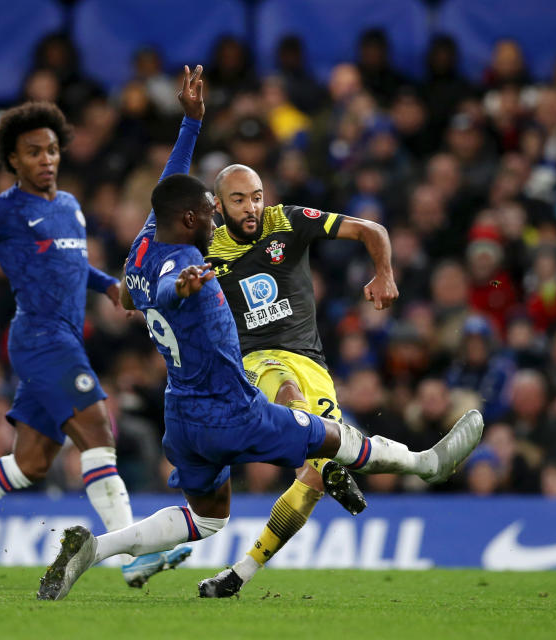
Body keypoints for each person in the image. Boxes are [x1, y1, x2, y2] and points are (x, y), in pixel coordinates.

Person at [35, 172, 484, 601]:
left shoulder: (161, 253)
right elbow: (172, 285)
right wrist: (182, 285)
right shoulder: (196, 259)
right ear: (202, 212)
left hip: (184, 413)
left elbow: (134, 293)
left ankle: (95, 549)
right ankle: (426, 463)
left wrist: (191, 123)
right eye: (228, 204)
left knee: (207, 519)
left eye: (256, 196)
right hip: (235, 398)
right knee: (329, 434)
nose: (246, 209)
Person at [0, 66, 208, 587]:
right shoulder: (2, 210)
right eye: (34, 152)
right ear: (13, 159)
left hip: (64, 334)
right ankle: (130, 551)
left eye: (52, 150)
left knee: (32, 463)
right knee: (97, 429)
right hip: (39, 336)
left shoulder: (69, 207)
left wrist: (107, 283)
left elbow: (69, 266)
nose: (47, 159)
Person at [197, 162, 399, 597]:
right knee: (287, 393)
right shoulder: (205, 250)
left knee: (309, 481)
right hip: (254, 359)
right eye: (238, 199)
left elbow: (371, 229)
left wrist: (384, 272)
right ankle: (331, 465)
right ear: (217, 205)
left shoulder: (285, 221)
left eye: (256, 195)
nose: (251, 207)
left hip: (312, 361)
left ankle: (239, 575)